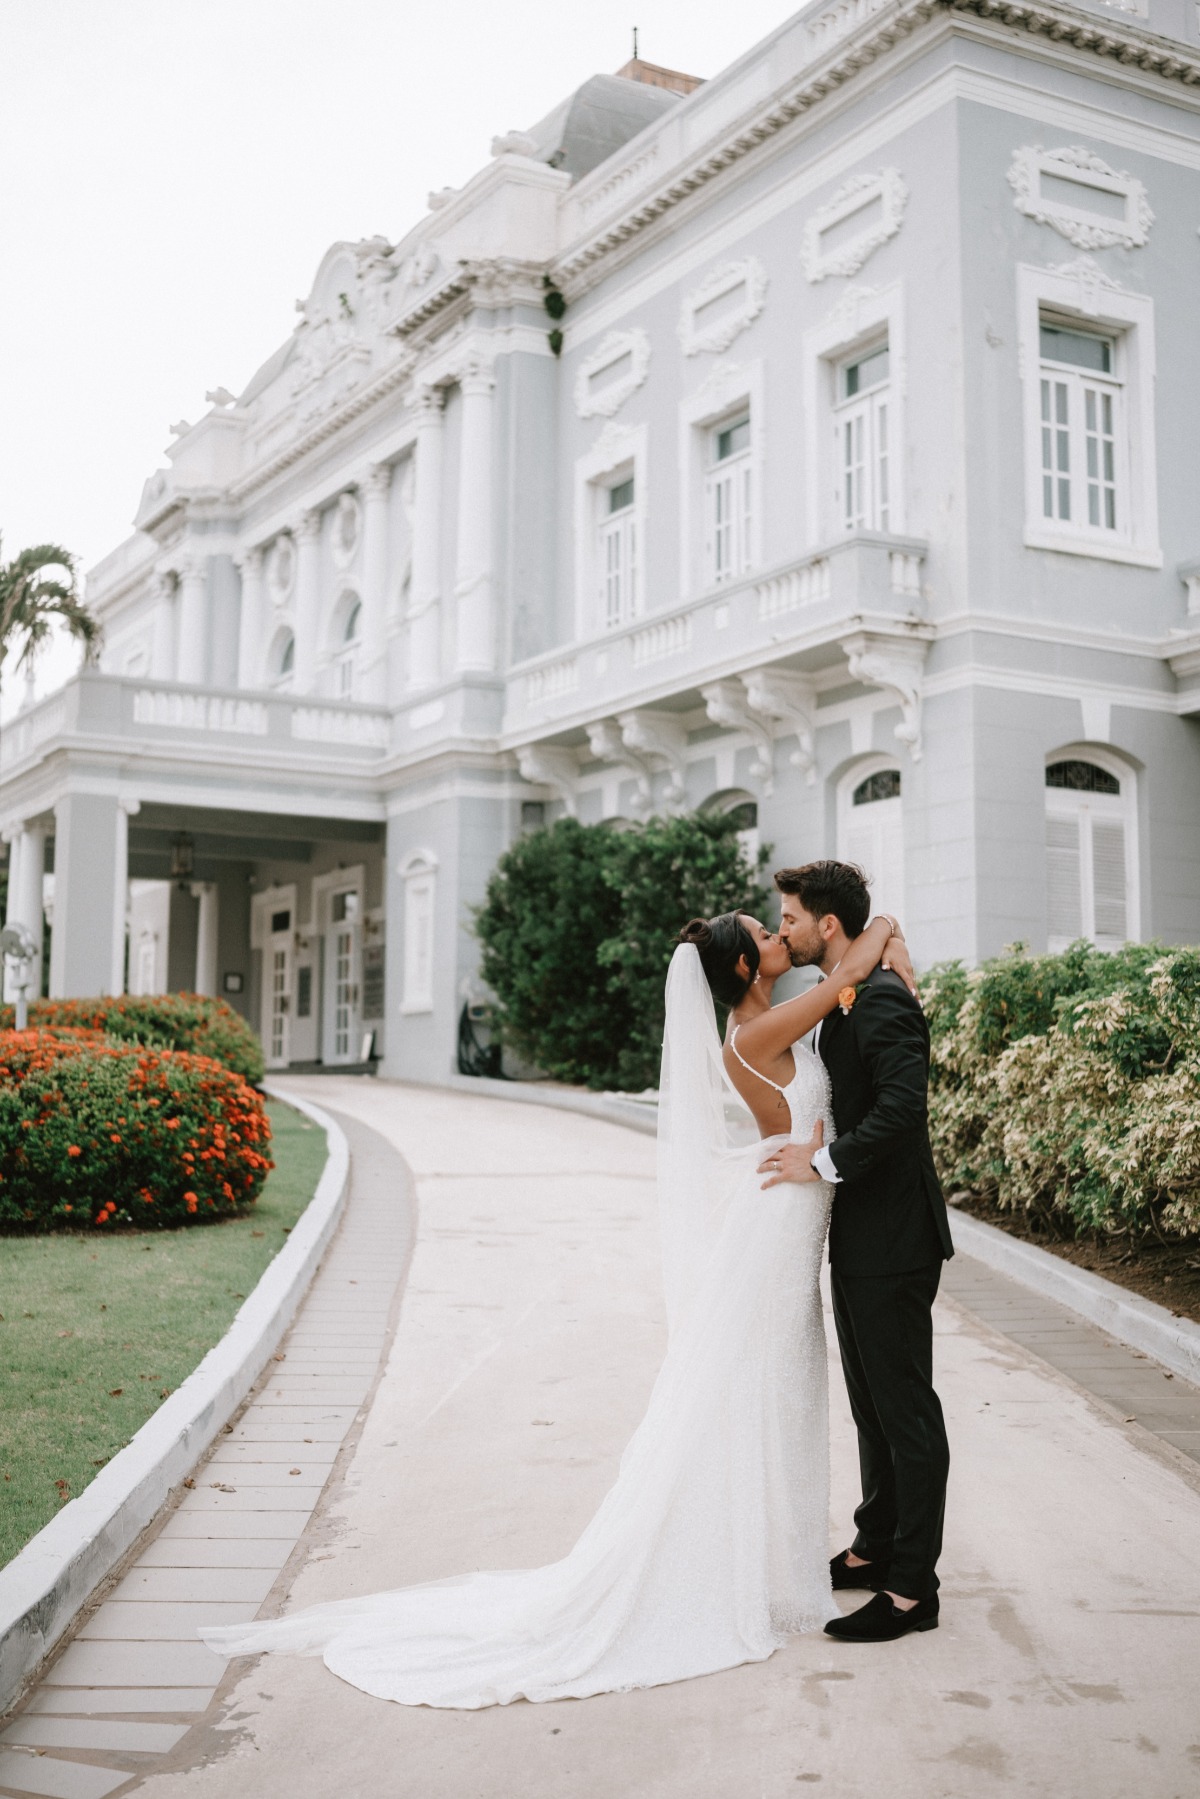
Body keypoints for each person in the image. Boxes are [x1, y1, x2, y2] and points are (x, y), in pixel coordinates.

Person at [198, 904, 912, 1707]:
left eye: (781, 927)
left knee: (779, 1385)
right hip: (778, 1224)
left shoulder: (779, 1020)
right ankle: (731, 1567)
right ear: (746, 969)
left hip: (790, 1211)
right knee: (752, 1385)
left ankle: (772, 1560)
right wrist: (883, 923)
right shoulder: (753, 1035)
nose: (783, 938)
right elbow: (850, 971)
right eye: (767, 935)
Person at [764, 860, 953, 1643]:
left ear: (826, 924)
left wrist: (824, 1162)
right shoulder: (848, 989)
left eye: (791, 918)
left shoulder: (876, 999)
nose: (784, 928)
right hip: (857, 1237)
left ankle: (913, 1589)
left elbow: (905, 1110)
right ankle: (875, 1545)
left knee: (906, 1410)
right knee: (872, 1407)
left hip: (896, 1237)